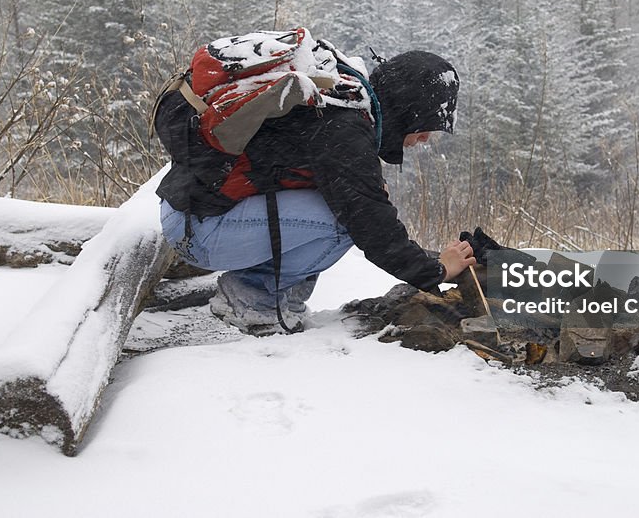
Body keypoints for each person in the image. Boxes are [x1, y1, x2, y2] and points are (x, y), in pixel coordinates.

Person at [157, 48, 476, 335]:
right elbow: (372, 227)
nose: (424, 140)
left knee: (352, 202)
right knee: (344, 220)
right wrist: (437, 270)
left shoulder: (341, 94)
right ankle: (252, 299)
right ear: (408, 111)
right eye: (425, 128)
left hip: (192, 214)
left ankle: (269, 296)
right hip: (199, 231)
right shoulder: (344, 124)